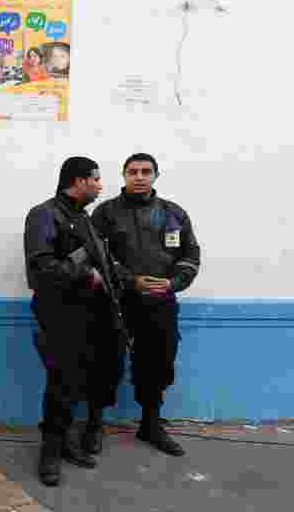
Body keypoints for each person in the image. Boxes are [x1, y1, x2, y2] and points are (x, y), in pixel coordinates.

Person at [24, 157, 127, 487]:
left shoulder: (84, 219)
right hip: (61, 317)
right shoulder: (44, 214)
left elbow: (104, 264)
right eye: (96, 179)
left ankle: (68, 444)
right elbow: (41, 269)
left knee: (83, 383)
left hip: (93, 317)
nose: (100, 185)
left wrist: (127, 279)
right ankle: (50, 452)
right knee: (61, 385)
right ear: (78, 181)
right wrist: (86, 276)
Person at [92, 153, 200, 457]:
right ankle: (94, 425)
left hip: (160, 302)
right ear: (124, 175)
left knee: (157, 361)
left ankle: (151, 425)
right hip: (115, 301)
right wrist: (130, 280)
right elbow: (96, 256)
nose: (139, 177)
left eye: (146, 171)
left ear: (156, 175)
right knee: (104, 360)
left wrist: (173, 283)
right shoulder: (105, 213)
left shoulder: (173, 214)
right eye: (133, 171)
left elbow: (191, 255)